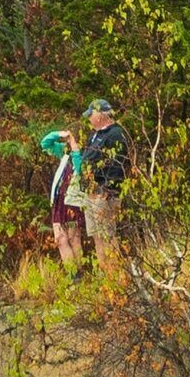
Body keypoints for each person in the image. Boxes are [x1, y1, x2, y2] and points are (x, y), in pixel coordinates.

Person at [77, 100, 128, 264]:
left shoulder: (115, 134)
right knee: (97, 237)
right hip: (91, 193)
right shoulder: (94, 135)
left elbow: (117, 164)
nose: (89, 119)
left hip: (104, 194)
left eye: (91, 115)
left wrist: (108, 189)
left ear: (100, 115)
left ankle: (116, 275)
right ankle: (105, 277)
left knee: (108, 235)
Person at [38, 128, 85, 266]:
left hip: (73, 202)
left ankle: (79, 274)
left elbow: (80, 168)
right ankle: (72, 274)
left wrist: (74, 145)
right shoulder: (65, 152)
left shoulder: (83, 154)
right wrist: (58, 134)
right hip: (59, 201)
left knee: (74, 239)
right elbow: (44, 144)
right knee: (60, 239)